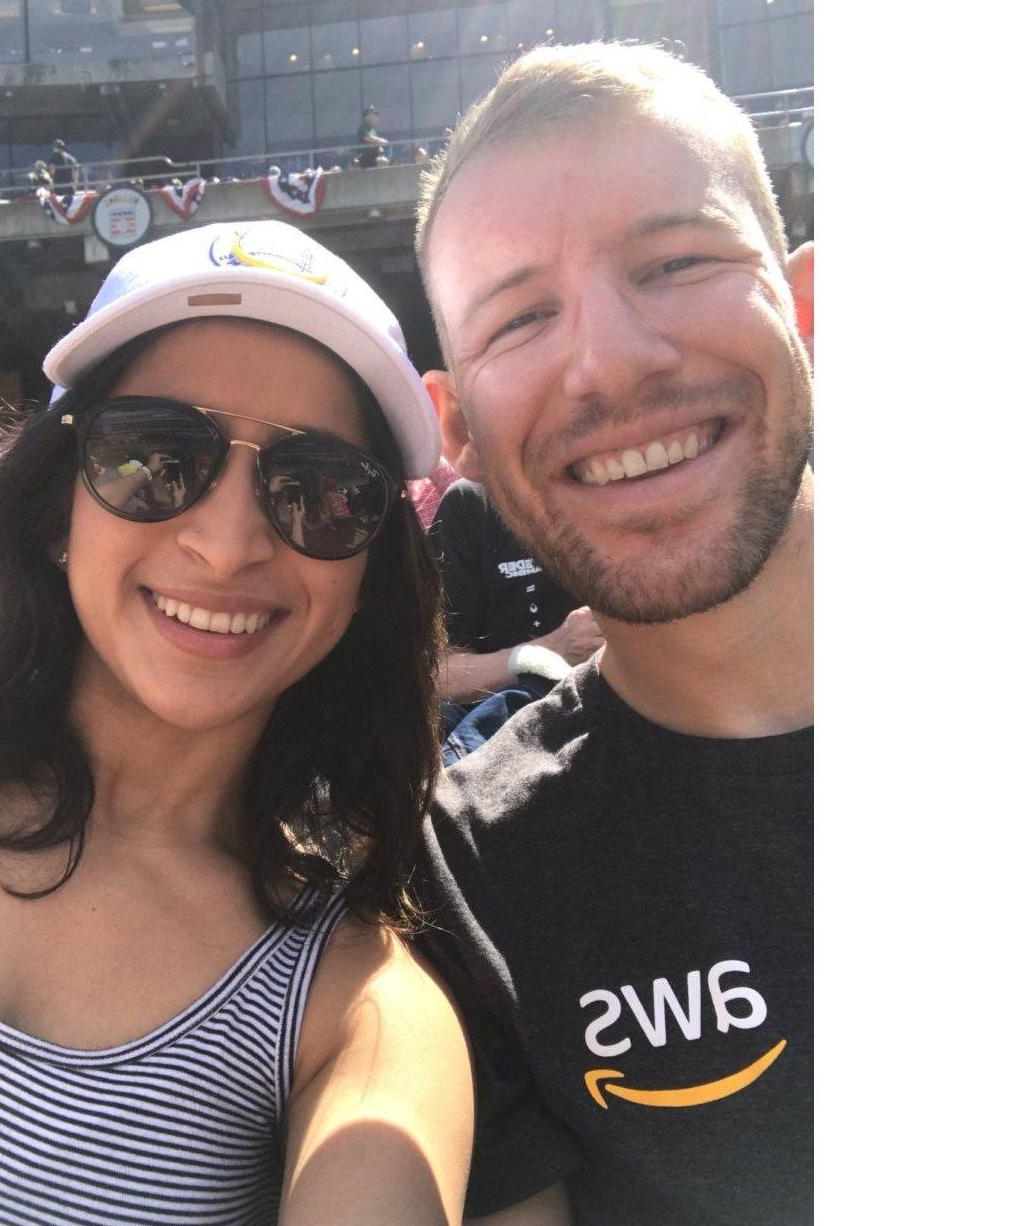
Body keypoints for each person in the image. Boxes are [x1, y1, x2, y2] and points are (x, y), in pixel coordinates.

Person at [0, 220, 473, 1224]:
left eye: (319, 490)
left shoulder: (352, 1011)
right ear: (60, 506)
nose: (227, 542)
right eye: (155, 453)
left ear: (369, 574)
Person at [413, 42, 814, 1225]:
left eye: (676, 260)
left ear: (802, 305)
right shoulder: (463, 877)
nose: (610, 361)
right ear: (459, 431)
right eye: (521, 317)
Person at [431, 476, 603, 706]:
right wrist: (550, 650)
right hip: (517, 721)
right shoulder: (470, 504)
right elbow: (440, 676)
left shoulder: (626, 493)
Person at [356, 105, 389, 169]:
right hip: (365, 155)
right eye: (374, 114)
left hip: (374, 155)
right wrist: (381, 141)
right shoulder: (363, 126)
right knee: (382, 162)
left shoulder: (371, 129)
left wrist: (380, 145)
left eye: (376, 114)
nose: (376, 116)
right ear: (366, 116)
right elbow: (367, 138)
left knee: (384, 161)